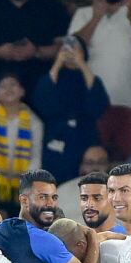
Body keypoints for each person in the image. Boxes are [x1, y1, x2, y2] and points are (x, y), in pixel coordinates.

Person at [69, 0, 131, 160]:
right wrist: (96, 16)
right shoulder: (83, 14)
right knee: (93, 170)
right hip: (92, 108)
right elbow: (70, 52)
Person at [30, 35, 110, 187]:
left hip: (85, 136)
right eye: (66, 48)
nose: (70, 51)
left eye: (75, 48)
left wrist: (81, 63)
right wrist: (58, 62)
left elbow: (98, 106)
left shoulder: (90, 77)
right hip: (56, 137)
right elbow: (42, 102)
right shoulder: (52, 77)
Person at [0, 72, 43, 211]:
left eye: (13, 84)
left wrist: (25, 183)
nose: (8, 89)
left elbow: (36, 156)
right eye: (3, 86)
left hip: (21, 182)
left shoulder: (34, 121)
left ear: (22, 91)